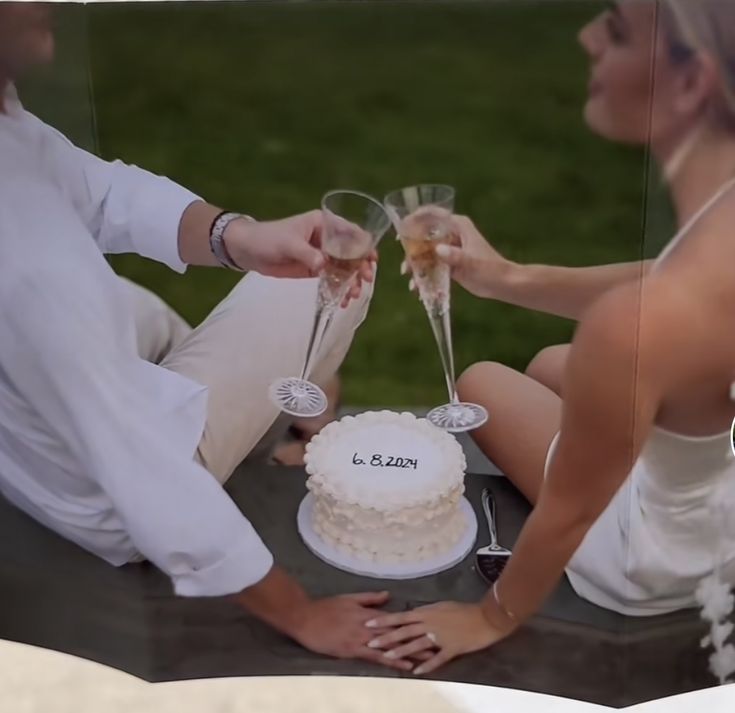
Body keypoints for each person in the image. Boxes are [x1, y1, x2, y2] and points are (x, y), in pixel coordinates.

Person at [0, 2, 416, 671]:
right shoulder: (33, 270)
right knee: (332, 275)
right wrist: (301, 614)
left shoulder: (6, 133)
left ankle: (262, 403)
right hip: (101, 495)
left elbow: (96, 191)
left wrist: (239, 236)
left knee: (141, 315)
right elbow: (148, 478)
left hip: (25, 437)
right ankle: (276, 417)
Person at [364, 0, 735, 674]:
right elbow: (675, 279)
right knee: (547, 362)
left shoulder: (630, 329)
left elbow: (567, 512)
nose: (585, 35)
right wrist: (505, 277)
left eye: (616, 29)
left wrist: (487, 616)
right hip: (719, 466)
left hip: (662, 554)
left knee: (481, 380)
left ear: (690, 82)